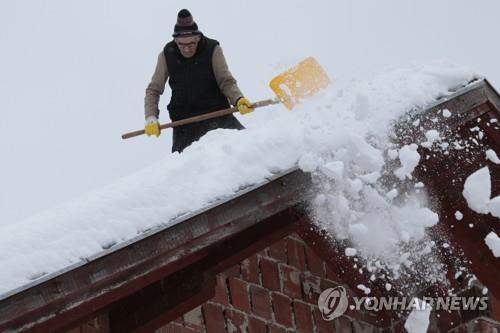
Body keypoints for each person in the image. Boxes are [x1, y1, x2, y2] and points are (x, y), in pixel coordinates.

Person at [144, 9, 254, 153]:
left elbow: (226, 81)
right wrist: (151, 116)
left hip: (218, 116)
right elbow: (154, 89)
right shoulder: (166, 55)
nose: (187, 49)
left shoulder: (213, 49)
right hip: (184, 124)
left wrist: (238, 99)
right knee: (187, 171)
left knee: (249, 150)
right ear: (175, 40)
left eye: (191, 44)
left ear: (197, 37)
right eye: (182, 45)